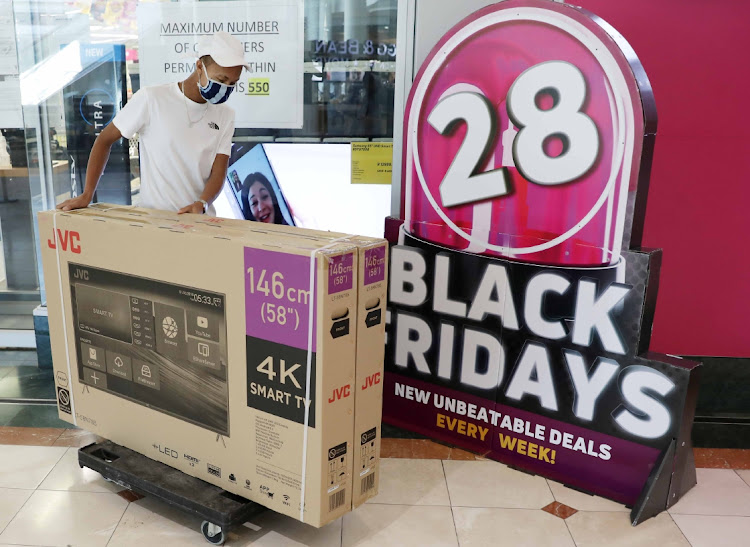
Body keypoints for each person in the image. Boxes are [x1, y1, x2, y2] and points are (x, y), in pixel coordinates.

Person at [57, 31, 248, 215]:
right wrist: (87, 194)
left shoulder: (225, 115)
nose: (226, 88)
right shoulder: (152, 99)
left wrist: (202, 203)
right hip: (155, 221)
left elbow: (218, 172)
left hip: (199, 222)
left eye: (233, 82)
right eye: (221, 79)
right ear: (199, 66)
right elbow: (104, 140)